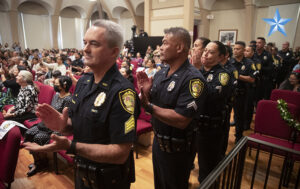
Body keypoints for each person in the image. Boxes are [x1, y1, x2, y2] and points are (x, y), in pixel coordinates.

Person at [23, 20, 139, 189]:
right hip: (82, 173)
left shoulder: (122, 92)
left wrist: (71, 146)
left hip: (108, 180)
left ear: (114, 52)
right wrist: (63, 125)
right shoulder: (84, 82)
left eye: (94, 44)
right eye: (85, 42)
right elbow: (77, 124)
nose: (85, 49)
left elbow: (120, 153)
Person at [137, 27, 207, 189]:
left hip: (178, 150)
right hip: (158, 143)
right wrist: (146, 92)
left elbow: (182, 119)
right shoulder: (161, 73)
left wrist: (148, 107)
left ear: (180, 47)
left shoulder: (193, 79)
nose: (160, 47)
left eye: (164, 43)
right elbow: (155, 102)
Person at [194, 41, 232, 183]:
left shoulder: (223, 75)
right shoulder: (198, 71)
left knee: (207, 166)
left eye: (210, 52)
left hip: (210, 128)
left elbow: (209, 94)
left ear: (221, 57)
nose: (205, 54)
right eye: (205, 51)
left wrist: (196, 73)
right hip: (193, 124)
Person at [24, 76, 73, 177]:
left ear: (64, 85)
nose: (54, 85)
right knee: (28, 133)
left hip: (56, 128)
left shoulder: (69, 99)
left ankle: (41, 163)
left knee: (38, 137)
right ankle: (38, 160)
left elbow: (65, 120)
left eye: (56, 84)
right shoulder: (56, 95)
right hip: (46, 124)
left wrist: (56, 133)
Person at [231, 41, 255, 142]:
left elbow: (251, 79)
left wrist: (236, 75)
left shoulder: (249, 63)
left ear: (243, 50)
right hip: (230, 92)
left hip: (242, 93)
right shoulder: (229, 62)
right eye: (234, 49)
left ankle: (238, 137)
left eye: (238, 49)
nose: (235, 51)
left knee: (239, 116)